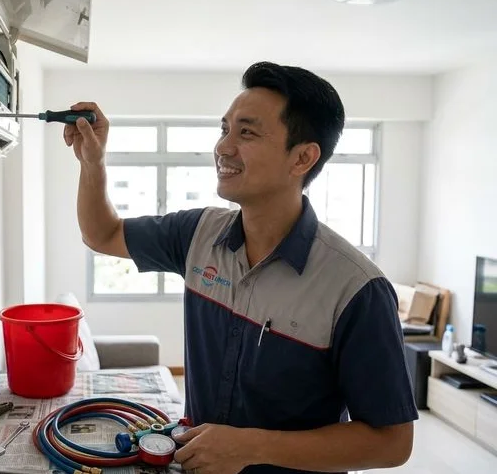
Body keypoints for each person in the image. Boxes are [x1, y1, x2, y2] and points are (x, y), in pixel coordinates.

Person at [62, 61, 417, 474]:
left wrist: (250, 446)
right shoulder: (197, 233)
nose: (223, 147)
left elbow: (392, 442)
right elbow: (101, 234)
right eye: (224, 129)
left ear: (302, 157)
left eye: (246, 132)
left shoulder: (356, 288)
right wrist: (92, 162)